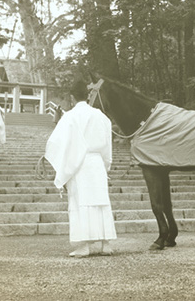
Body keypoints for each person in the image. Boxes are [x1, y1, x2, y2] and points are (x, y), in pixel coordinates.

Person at [45, 79, 117, 257]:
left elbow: (58, 142)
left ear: (71, 97)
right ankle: (105, 243)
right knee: (101, 201)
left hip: (79, 163)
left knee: (80, 202)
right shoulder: (101, 116)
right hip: (97, 162)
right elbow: (108, 144)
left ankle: (83, 245)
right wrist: (106, 164)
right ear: (87, 95)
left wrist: (61, 165)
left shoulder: (70, 116)